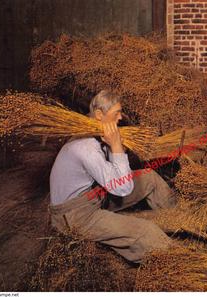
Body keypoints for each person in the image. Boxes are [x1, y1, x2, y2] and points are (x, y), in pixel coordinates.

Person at [49, 89, 176, 263]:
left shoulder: (94, 135)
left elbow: (111, 175)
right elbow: (122, 187)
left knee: (149, 178)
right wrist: (116, 147)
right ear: (100, 114)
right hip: (75, 215)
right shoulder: (85, 147)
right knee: (146, 232)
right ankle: (174, 260)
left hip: (94, 197)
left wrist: (113, 147)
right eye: (117, 113)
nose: (121, 117)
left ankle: (179, 217)